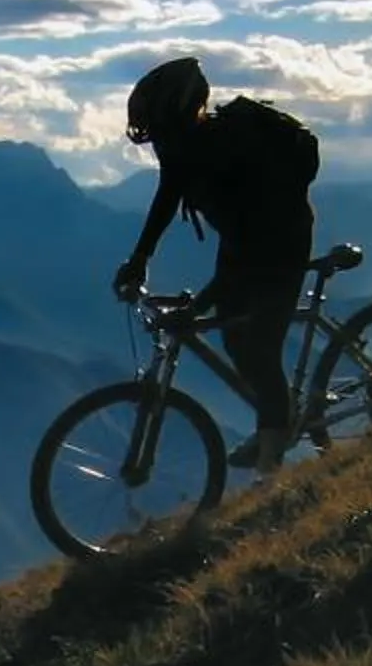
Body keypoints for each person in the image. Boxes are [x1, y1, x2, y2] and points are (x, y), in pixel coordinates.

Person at [108, 56, 320, 473]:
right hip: (242, 244)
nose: (158, 144)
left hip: (280, 243)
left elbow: (246, 253)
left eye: (159, 131)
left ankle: (271, 463)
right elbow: (167, 197)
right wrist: (140, 258)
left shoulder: (225, 153)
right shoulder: (183, 149)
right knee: (236, 339)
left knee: (261, 349)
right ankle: (270, 425)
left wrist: (199, 303)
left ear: (177, 118)